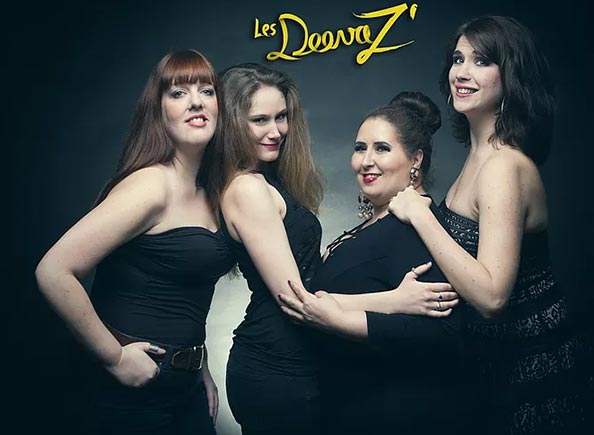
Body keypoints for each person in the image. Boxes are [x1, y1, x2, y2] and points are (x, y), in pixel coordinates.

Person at [389, 16, 593, 434]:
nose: (462, 72)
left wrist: (421, 214)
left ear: (512, 75)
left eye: (481, 61)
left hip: (532, 375)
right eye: (457, 59)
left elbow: (492, 296)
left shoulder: (503, 165)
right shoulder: (480, 155)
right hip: (486, 371)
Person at [35, 50, 234, 435]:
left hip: (185, 389)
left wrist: (198, 363)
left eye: (207, 91)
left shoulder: (209, 191)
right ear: (158, 111)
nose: (196, 102)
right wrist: (114, 358)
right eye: (178, 93)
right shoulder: (151, 185)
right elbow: (54, 271)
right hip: (128, 396)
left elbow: (184, 291)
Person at [279, 92, 466, 435]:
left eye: (381, 148)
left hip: (392, 413)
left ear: (416, 159)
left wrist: (339, 320)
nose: (366, 161)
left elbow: (443, 332)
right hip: (353, 405)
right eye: (360, 148)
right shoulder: (381, 220)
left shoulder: (416, 223)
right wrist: (387, 302)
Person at [200, 63, 325, 435]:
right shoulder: (247, 188)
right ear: (232, 124)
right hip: (276, 369)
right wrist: (394, 301)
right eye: (260, 120)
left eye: (281, 117)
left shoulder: (266, 179)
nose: (276, 131)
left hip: (295, 363)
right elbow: (296, 299)